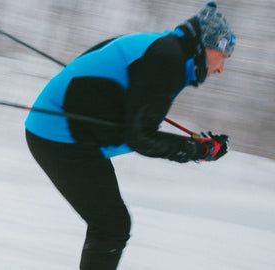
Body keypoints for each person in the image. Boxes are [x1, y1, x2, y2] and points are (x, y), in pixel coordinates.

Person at [24, 2, 234, 269]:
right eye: (224, 57)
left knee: (111, 223)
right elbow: (141, 138)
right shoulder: (168, 59)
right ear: (208, 44)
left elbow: (95, 65)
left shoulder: (163, 47)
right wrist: (200, 151)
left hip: (61, 130)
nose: (220, 69)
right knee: (112, 226)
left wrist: (196, 146)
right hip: (60, 137)